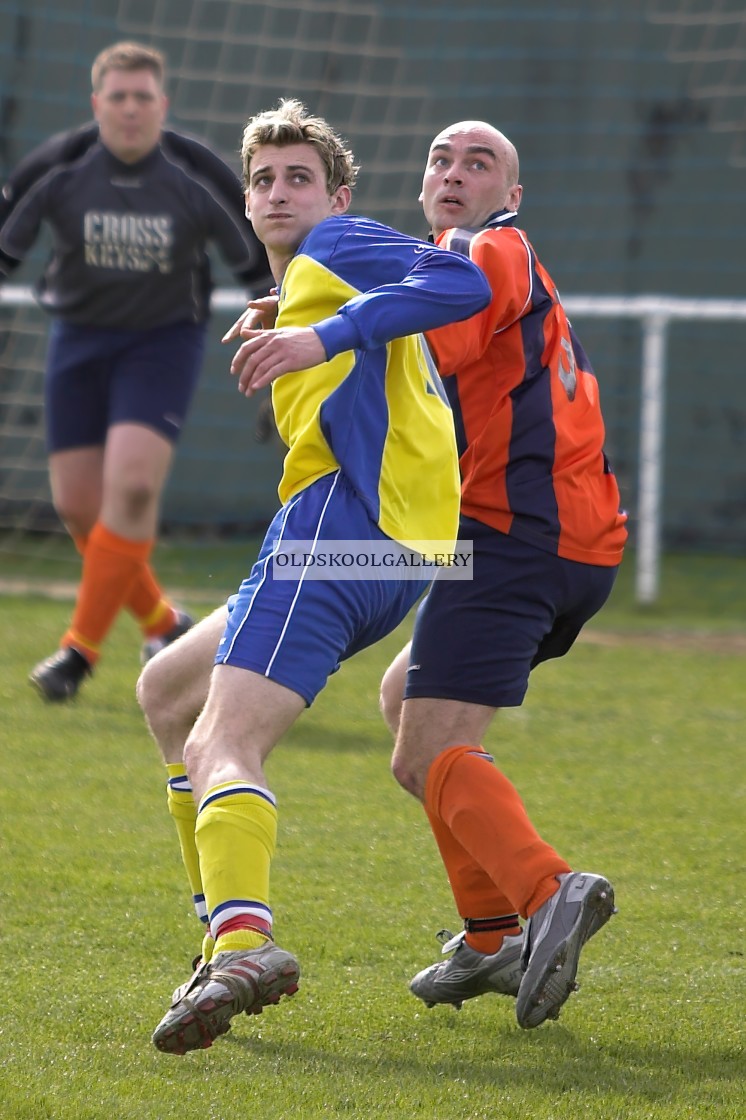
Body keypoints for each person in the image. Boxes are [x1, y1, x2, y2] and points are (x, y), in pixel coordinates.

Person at [137, 97, 491, 1056]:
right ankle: (220, 928)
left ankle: (243, 940)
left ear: (336, 195)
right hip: (387, 545)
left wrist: (318, 333)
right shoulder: (316, 274)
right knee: (167, 692)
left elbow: (462, 289)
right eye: (264, 180)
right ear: (245, 204)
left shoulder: (344, 243)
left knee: (221, 739)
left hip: (345, 529)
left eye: (301, 177)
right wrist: (298, 308)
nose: (279, 192)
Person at [378, 119, 628, 1030]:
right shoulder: (474, 260)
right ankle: (490, 939)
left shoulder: (486, 251)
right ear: (422, 183)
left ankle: (549, 889)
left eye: (480, 162)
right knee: (404, 700)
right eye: (441, 158)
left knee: (427, 747)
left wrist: (317, 337)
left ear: (511, 196)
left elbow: (425, 347)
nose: (455, 170)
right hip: (571, 542)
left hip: (517, 537)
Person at [0, 41, 273, 701]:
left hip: (161, 346)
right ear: (97, 104)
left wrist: (282, 330)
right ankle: (162, 620)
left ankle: (78, 652)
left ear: (162, 104)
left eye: (142, 97)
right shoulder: (60, 166)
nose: (129, 110)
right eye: (117, 97)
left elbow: (260, 261)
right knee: (78, 506)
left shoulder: (194, 171)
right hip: (78, 343)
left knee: (130, 489)